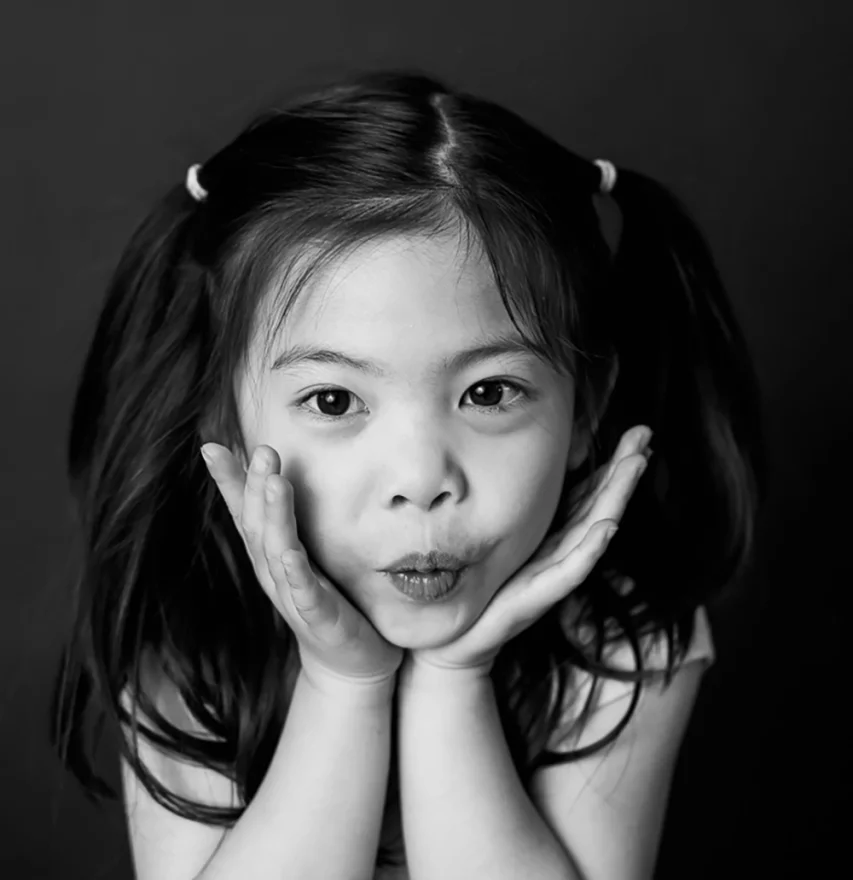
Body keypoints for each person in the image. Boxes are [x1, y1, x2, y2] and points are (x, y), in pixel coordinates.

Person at [49, 67, 765, 880]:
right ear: (227, 423)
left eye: (489, 393)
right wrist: (342, 685)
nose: (421, 479)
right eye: (332, 399)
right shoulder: (188, 634)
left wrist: (454, 684)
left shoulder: (619, 645)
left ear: (584, 412)